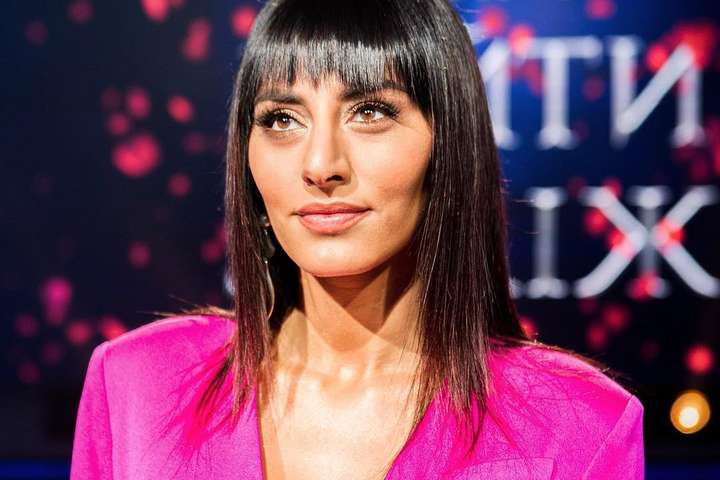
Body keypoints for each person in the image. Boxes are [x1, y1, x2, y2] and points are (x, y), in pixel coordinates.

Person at [70, 0, 645, 478]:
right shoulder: (136, 385)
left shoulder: (579, 426)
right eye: (281, 119)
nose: (321, 165)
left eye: (369, 112)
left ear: (448, 147)